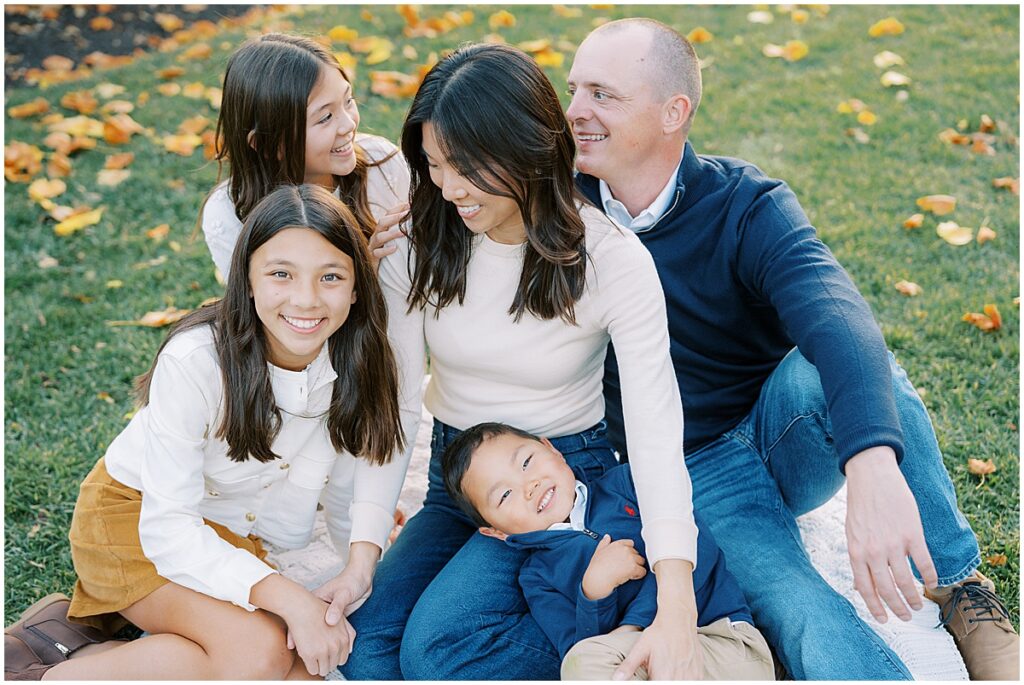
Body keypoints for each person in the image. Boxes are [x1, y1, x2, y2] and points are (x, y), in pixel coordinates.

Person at [565, 17, 1019, 680]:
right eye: (574, 89)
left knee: (844, 367)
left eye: (601, 94)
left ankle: (958, 583)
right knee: (802, 612)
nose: (574, 110)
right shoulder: (554, 207)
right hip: (689, 468)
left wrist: (871, 462)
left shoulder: (746, 202)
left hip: (783, 428)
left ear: (673, 112)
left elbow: (839, 316)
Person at [342, 43, 703, 680]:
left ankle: (619, 635)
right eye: (432, 165)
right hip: (455, 481)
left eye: (465, 168)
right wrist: (362, 554)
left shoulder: (610, 259)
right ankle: (594, 622)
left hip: (557, 482)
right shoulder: (417, 246)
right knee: (366, 649)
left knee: (438, 654)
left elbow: (653, 428)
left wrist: (677, 601)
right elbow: (394, 406)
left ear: (526, 149)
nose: (448, 188)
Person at [3, 185, 407, 680]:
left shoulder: (362, 354)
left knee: (297, 663)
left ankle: (62, 639)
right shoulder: (196, 361)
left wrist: (356, 569)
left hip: (230, 531)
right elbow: (168, 529)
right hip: (136, 521)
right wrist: (290, 599)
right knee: (262, 652)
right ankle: (40, 677)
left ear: (357, 286)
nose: (306, 298)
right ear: (249, 280)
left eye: (331, 277)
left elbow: (361, 471)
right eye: (281, 274)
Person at [442, 422, 776, 681]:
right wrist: (594, 593)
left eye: (527, 462)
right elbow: (581, 650)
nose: (529, 486)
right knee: (582, 665)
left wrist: (633, 626)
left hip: (722, 642)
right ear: (494, 531)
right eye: (504, 496)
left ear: (551, 448)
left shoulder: (628, 484)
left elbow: (696, 548)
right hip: (642, 667)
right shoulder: (538, 578)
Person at [200, 33, 409, 280]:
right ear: (268, 144)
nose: (348, 125)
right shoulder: (228, 214)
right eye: (324, 118)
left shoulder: (382, 164)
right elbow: (263, 314)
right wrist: (366, 271)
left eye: (348, 100)